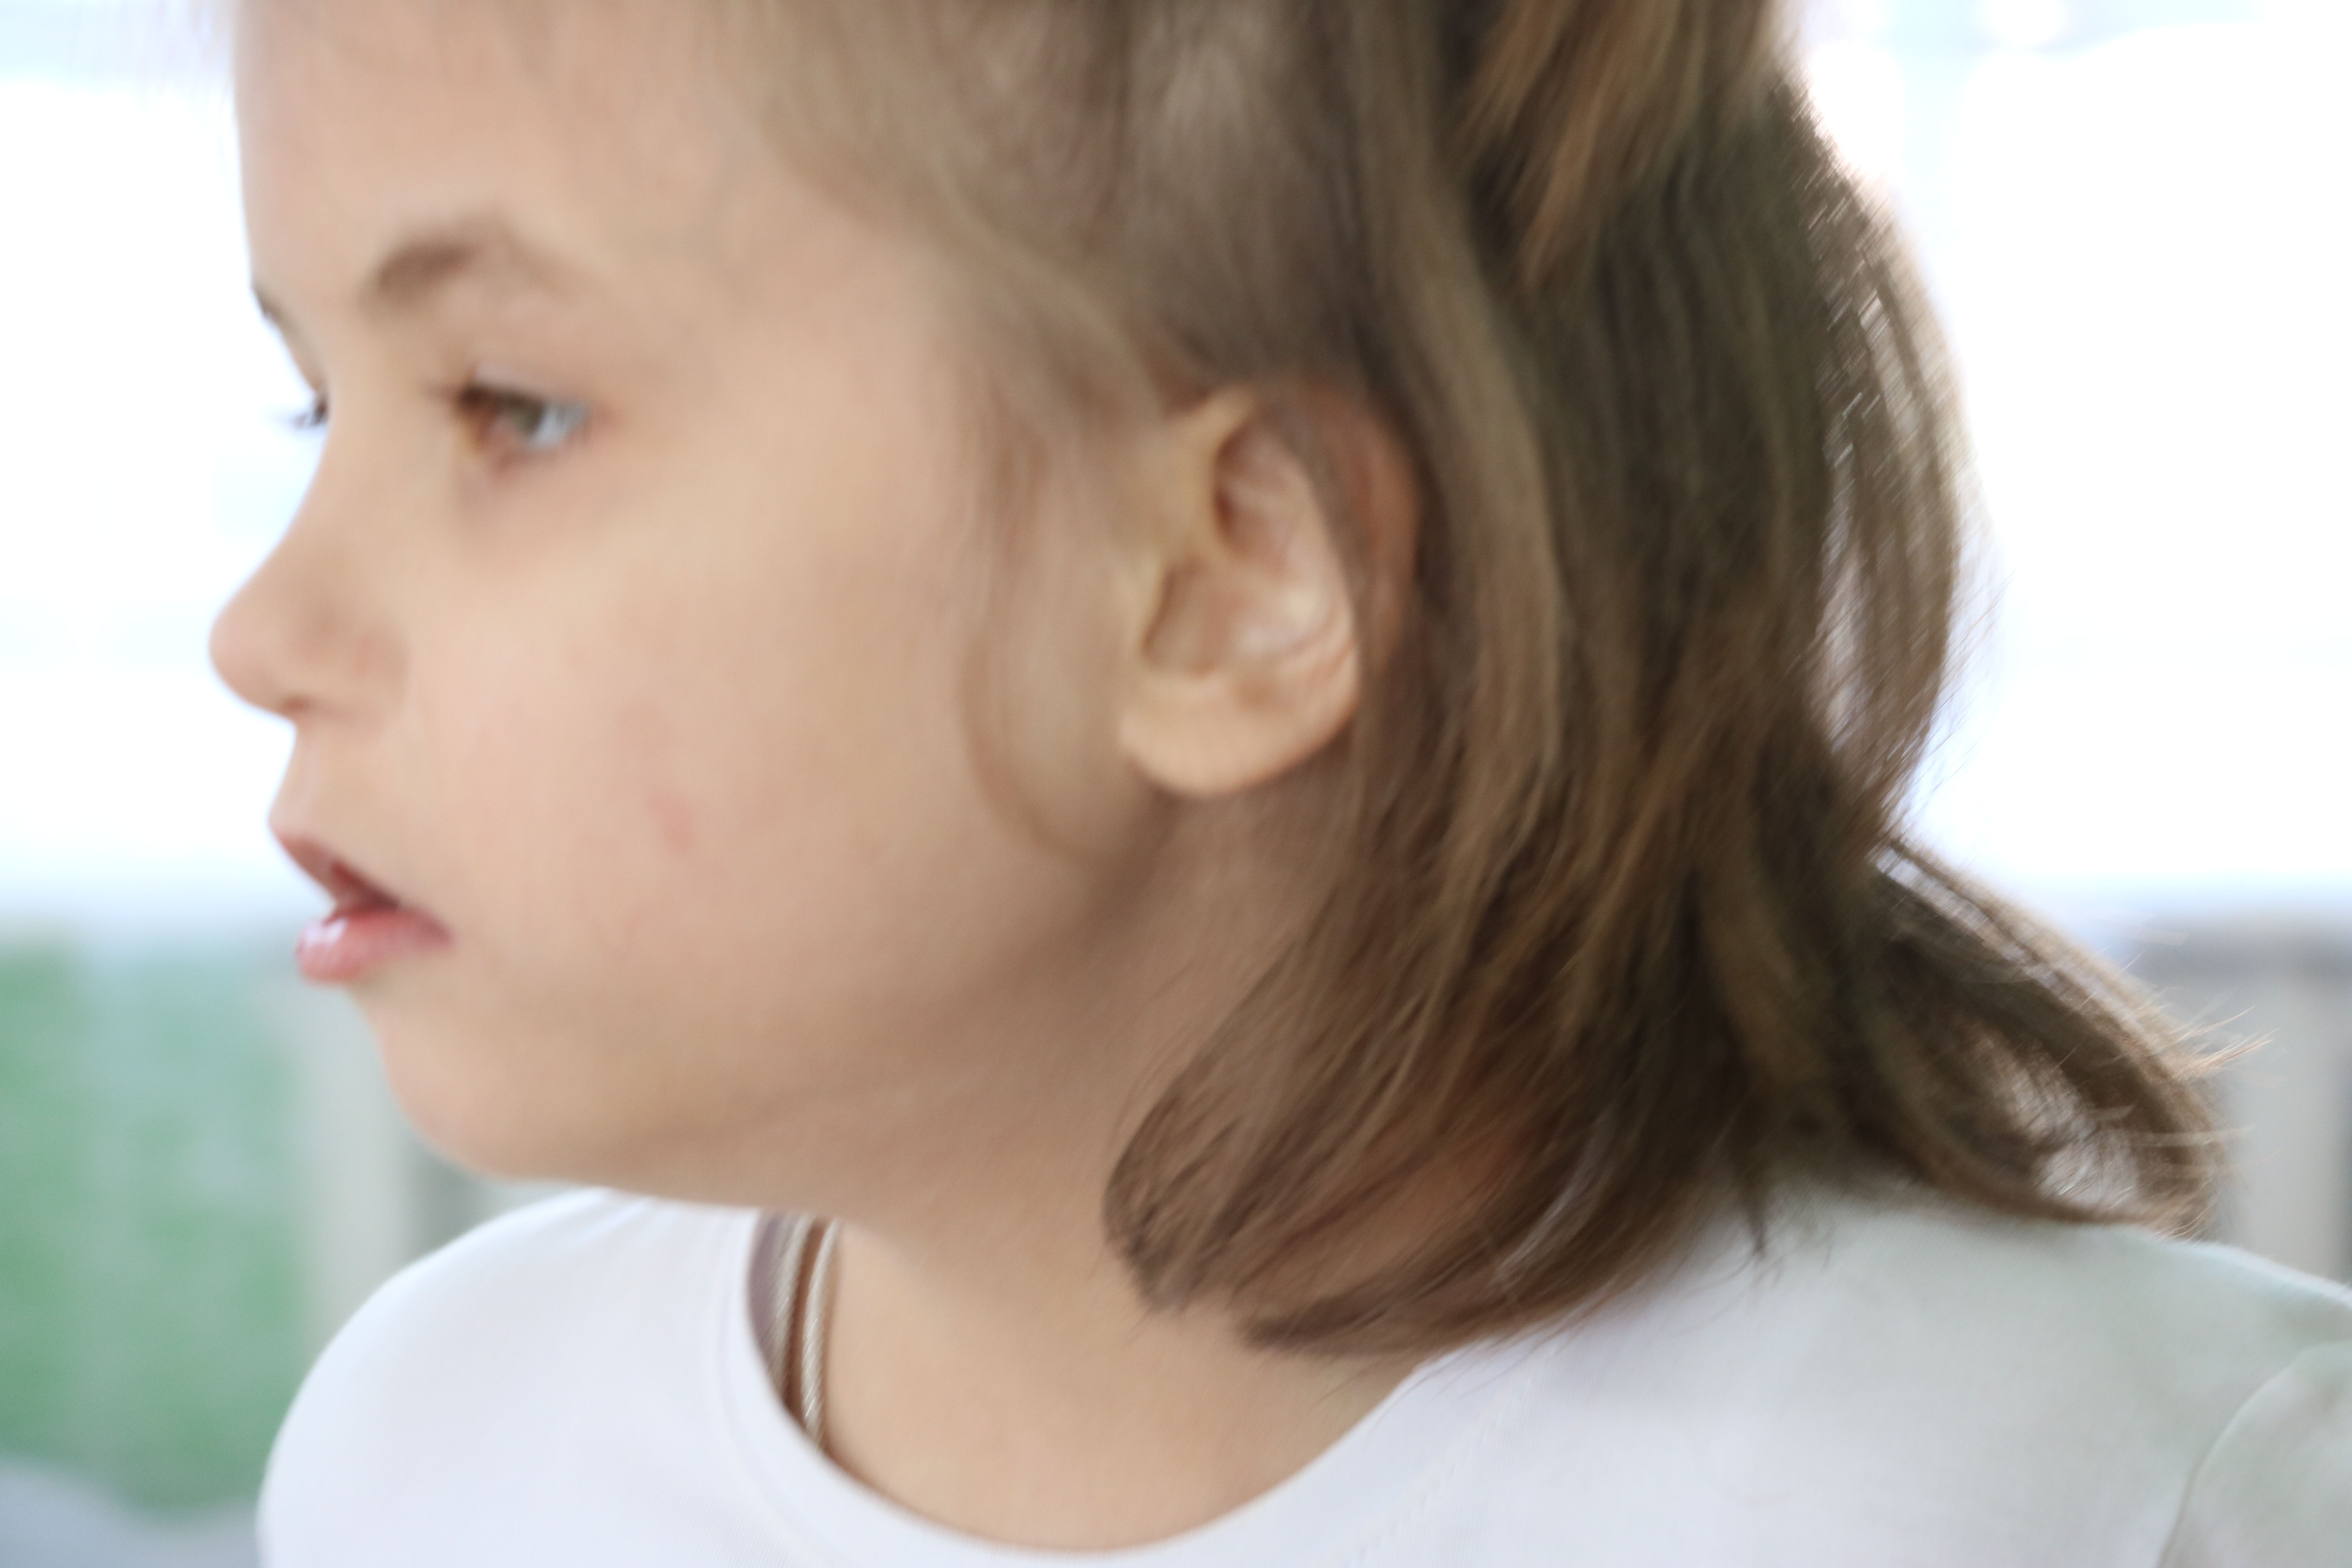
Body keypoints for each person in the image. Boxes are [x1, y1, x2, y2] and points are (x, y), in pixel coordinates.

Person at [209, 0, 2351, 1562]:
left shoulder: (2115, 1504)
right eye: (317, 405)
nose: (260, 631)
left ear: (1233, 581)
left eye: (512, 408)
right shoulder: (427, 1461)